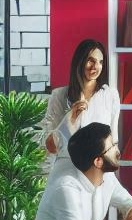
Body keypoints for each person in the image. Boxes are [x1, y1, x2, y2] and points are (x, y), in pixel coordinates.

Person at [42, 39, 120, 171]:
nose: (96, 66)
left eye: (100, 62)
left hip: (99, 172)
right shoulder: (59, 96)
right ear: (80, 61)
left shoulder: (110, 96)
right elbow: (50, 147)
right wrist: (69, 119)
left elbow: (114, 140)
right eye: (91, 60)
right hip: (67, 171)